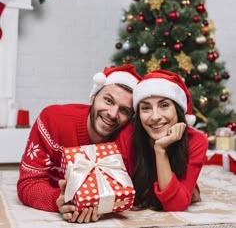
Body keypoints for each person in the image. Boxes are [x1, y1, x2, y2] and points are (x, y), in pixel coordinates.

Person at [17, 64, 141, 222]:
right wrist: (59, 200)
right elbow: (28, 183)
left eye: (124, 110)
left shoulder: (126, 139)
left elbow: (134, 192)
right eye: (108, 100)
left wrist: (104, 204)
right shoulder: (53, 120)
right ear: (94, 96)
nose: (113, 114)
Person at [116, 69, 208, 212]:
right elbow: (121, 194)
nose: (155, 117)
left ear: (178, 109)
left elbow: (175, 206)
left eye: (164, 105)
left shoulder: (196, 140)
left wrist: (160, 150)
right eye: (146, 108)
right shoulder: (127, 135)